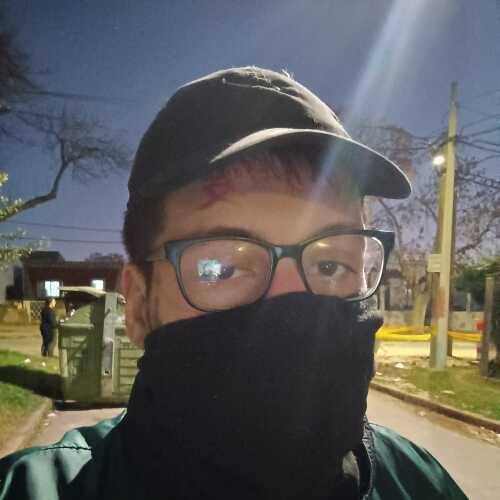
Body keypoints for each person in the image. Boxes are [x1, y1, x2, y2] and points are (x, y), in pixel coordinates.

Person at [0, 67, 466, 499]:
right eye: (220, 268)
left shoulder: (418, 483)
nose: (294, 306)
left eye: (331, 266)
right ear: (139, 304)